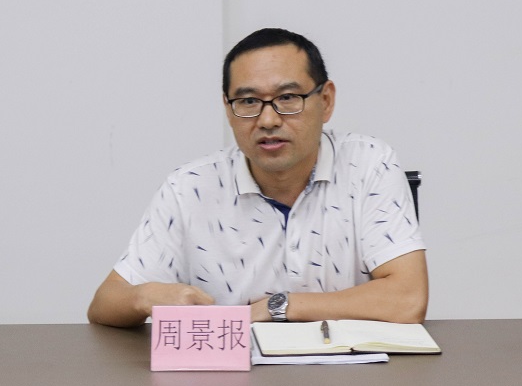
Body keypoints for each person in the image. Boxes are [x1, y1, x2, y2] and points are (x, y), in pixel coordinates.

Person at [88, 28, 428, 327]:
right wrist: (144, 297)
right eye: (249, 101)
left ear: (325, 101)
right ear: (228, 108)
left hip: (351, 374)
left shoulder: (368, 164)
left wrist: (277, 306)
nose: (268, 120)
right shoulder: (189, 188)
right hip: (234, 376)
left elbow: (407, 299)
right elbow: (104, 305)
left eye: (287, 98)